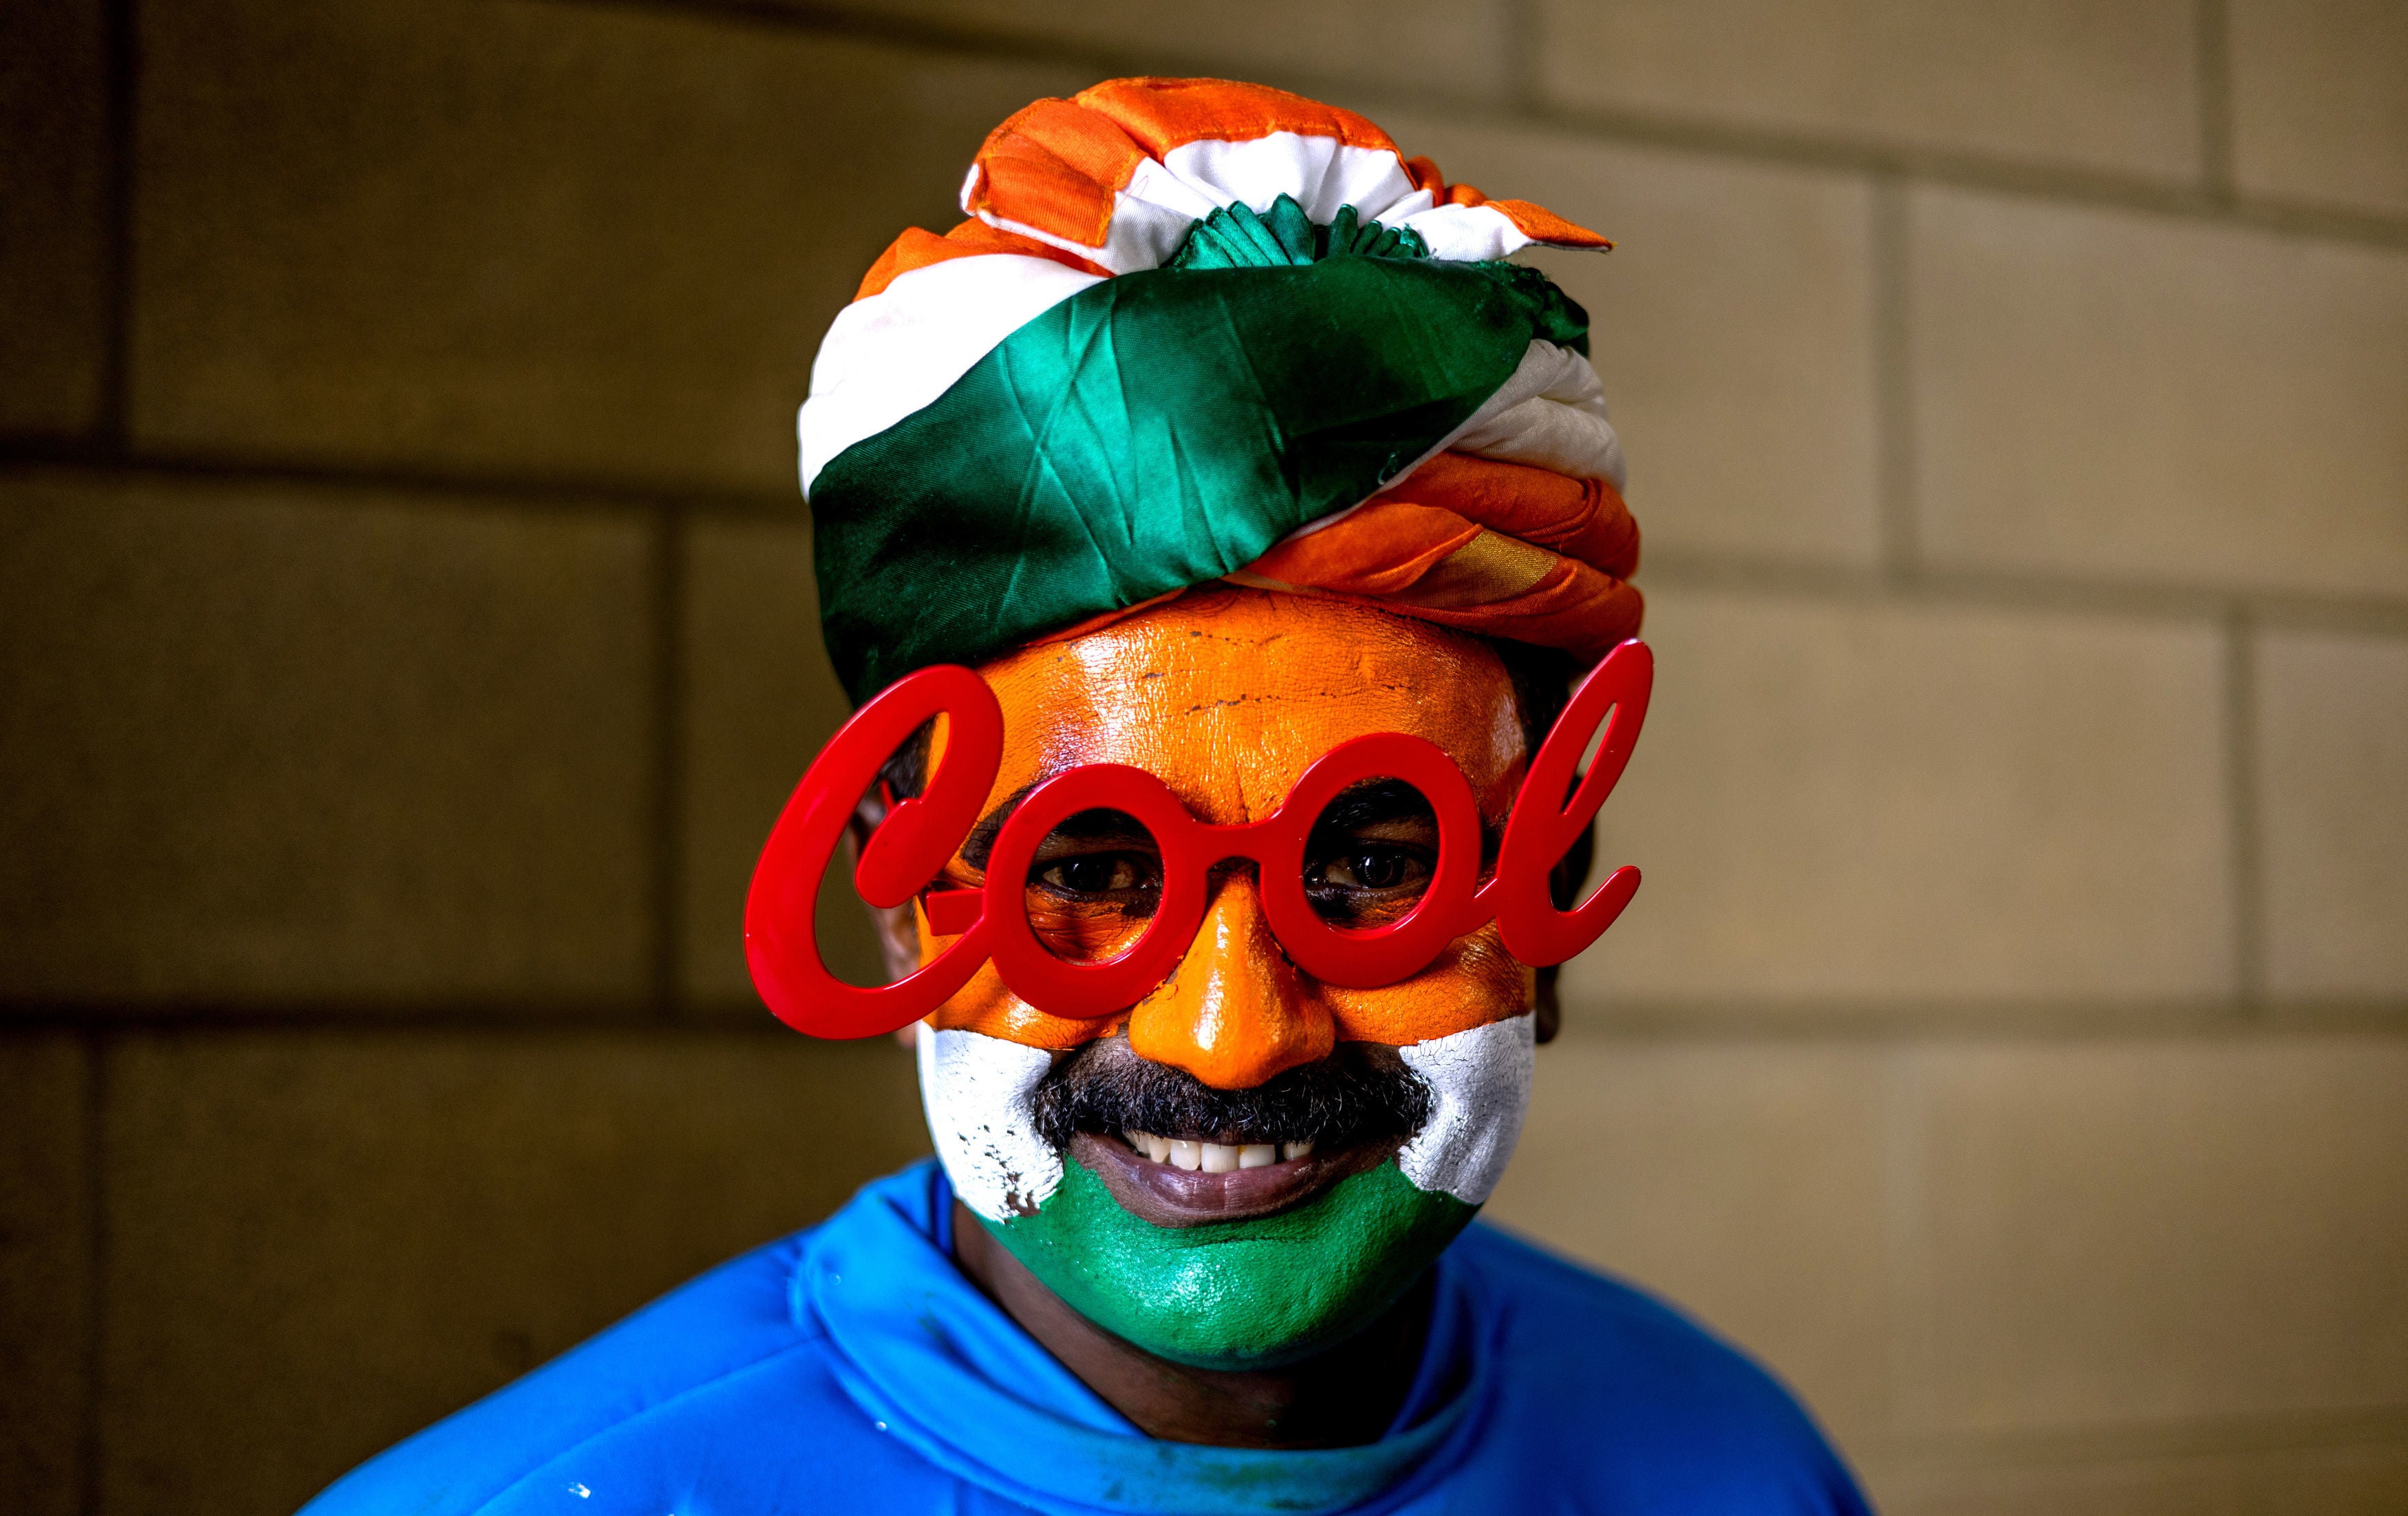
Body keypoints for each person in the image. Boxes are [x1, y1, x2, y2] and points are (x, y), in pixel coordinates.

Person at [303, 78, 1871, 1515]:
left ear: (1555, 904)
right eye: (1093, 869)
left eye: (1374, 865)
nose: (1232, 1033)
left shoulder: (1733, 1465)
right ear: (902, 884)